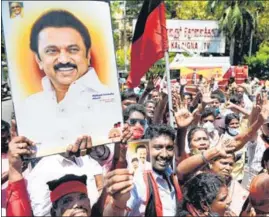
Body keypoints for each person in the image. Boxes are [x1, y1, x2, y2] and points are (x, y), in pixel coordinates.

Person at [18, 9, 122, 153]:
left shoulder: (108, 99)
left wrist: (98, 152)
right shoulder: (30, 106)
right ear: (39, 60)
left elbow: (115, 157)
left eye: (73, 49)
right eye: (52, 51)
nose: (64, 59)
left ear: (88, 55)